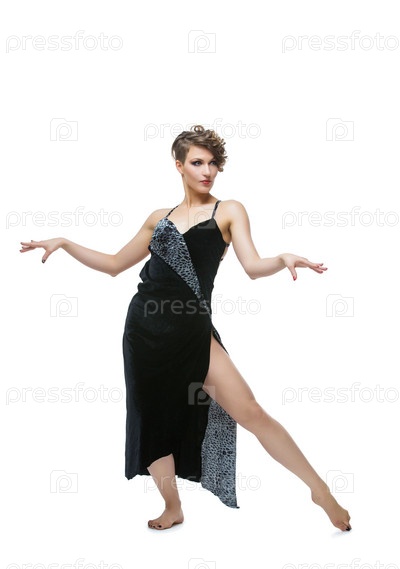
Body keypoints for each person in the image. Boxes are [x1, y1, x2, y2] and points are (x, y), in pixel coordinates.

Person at [20, 124, 351, 533]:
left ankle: (319, 490)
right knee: (151, 417)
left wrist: (281, 258)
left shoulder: (229, 210)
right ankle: (172, 505)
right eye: (197, 163)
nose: (207, 171)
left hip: (192, 329)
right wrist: (66, 243)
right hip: (144, 329)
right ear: (179, 166)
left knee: (249, 410)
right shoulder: (158, 219)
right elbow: (113, 264)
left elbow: (252, 266)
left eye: (213, 164)